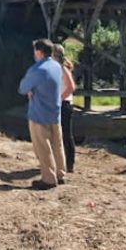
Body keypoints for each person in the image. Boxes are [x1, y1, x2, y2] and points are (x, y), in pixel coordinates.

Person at [17, 39, 67, 190]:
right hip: (55, 112)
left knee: (43, 147)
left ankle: (49, 179)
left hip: (39, 114)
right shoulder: (57, 66)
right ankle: (61, 174)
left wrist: (31, 91)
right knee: (57, 145)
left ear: (38, 52)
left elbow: (22, 88)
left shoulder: (37, 69)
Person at [53, 44, 77, 173]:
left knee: (66, 135)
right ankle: (60, 162)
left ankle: (69, 164)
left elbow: (71, 87)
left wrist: (60, 98)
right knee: (57, 135)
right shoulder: (56, 68)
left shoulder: (63, 68)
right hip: (59, 104)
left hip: (65, 104)